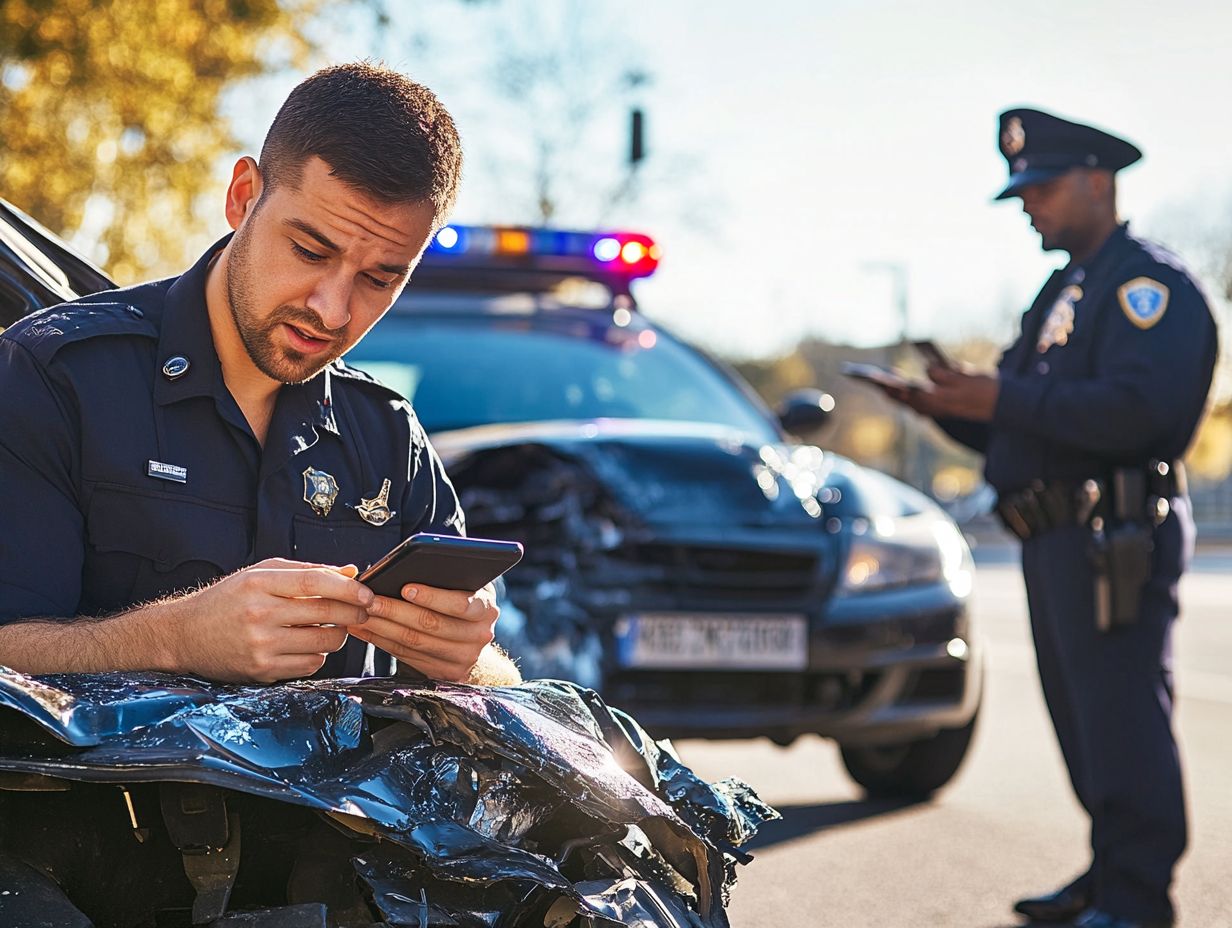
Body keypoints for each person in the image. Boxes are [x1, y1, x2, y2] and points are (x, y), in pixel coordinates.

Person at [0, 62, 520, 687]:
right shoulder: (56, 377)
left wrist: (471, 662)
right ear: (243, 196)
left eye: (379, 279)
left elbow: (496, 688)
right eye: (310, 251)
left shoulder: (387, 435)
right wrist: (176, 637)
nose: (333, 308)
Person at [886, 108, 1217, 928]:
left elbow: (1145, 413)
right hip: (1059, 538)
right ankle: (1110, 874)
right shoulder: (1066, 289)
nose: (1028, 204)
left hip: (1116, 535)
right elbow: (1028, 417)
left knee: (1121, 716)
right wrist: (945, 407)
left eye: (1041, 187)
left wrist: (1001, 396)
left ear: (1098, 182)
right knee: (1087, 722)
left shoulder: (1148, 287)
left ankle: (1139, 897)